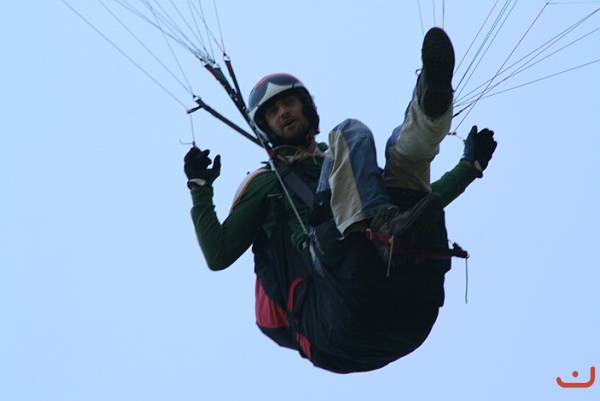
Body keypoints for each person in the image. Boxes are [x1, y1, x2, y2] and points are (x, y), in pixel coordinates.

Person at [184, 27, 497, 373]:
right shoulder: (267, 182)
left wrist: (469, 167)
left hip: (404, 312)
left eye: (289, 103)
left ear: (306, 108)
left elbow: (421, 204)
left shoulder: (348, 171)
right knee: (350, 132)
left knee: (405, 167)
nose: (283, 112)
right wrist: (200, 189)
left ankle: (431, 107)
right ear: (266, 127)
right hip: (331, 307)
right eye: (273, 112)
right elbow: (218, 254)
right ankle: (384, 227)